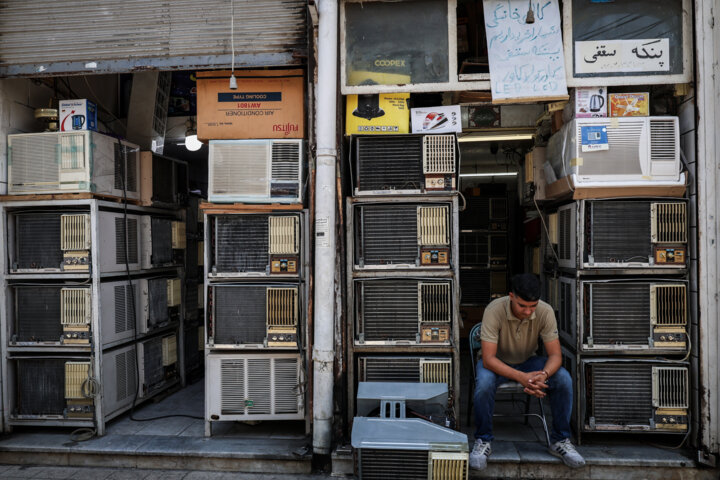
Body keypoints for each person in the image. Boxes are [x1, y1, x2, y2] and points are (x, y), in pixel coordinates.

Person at [470, 273, 585, 470]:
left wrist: (543, 375)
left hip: (528, 363)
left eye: (532, 306)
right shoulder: (494, 309)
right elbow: (488, 359)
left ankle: (560, 441)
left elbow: (555, 356)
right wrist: (522, 379)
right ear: (511, 296)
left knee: (563, 379)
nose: (527, 311)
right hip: (496, 363)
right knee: (484, 384)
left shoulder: (545, 311)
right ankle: (483, 441)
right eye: (522, 306)